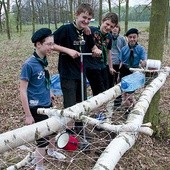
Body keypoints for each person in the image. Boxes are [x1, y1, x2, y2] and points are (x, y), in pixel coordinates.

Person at [20, 28, 65, 170]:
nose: (52, 47)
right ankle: (39, 166)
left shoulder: (43, 60)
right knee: (42, 139)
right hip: (36, 108)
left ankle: (52, 151)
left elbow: (45, 79)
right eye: (49, 44)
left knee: (53, 129)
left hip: (47, 103)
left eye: (53, 44)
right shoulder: (29, 65)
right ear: (38, 44)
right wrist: (28, 115)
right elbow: (22, 90)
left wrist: (50, 91)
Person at [52, 3, 101, 134]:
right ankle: (68, 131)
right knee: (70, 103)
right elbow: (51, 44)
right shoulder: (65, 29)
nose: (86, 21)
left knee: (82, 102)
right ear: (76, 15)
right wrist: (67, 50)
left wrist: (96, 50)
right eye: (83, 17)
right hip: (67, 73)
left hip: (81, 73)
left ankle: (80, 129)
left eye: (89, 19)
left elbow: (92, 46)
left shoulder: (87, 31)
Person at [86, 12, 118, 96]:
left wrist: (110, 67)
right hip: (91, 65)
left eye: (111, 26)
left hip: (102, 65)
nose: (108, 27)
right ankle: (99, 108)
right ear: (102, 21)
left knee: (106, 88)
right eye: (107, 24)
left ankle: (101, 107)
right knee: (99, 91)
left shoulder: (109, 37)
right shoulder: (91, 31)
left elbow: (108, 52)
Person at [118, 28, 147, 116]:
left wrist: (143, 62)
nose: (132, 39)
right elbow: (121, 62)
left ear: (137, 37)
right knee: (124, 93)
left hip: (134, 71)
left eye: (134, 37)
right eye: (130, 37)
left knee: (130, 94)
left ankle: (135, 109)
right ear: (127, 38)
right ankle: (127, 111)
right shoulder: (123, 49)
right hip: (124, 70)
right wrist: (119, 74)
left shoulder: (140, 49)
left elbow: (144, 59)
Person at [108, 24, 127, 109]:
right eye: (113, 27)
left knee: (118, 83)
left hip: (118, 63)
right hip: (109, 63)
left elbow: (124, 51)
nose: (115, 29)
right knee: (109, 83)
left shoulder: (122, 39)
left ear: (119, 29)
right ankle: (108, 102)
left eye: (117, 27)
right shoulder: (108, 37)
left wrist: (122, 62)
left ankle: (117, 103)